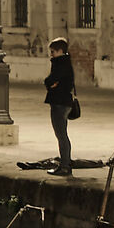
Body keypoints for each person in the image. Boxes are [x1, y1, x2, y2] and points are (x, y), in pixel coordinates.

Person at [45, 36, 76, 175]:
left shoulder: (60, 64)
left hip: (60, 103)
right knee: (62, 135)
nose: (51, 55)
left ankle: (65, 166)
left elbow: (51, 80)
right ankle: (65, 164)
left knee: (61, 135)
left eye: (53, 52)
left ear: (60, 51)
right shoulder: (65, 63)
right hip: (64, 102)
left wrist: (50, 83)